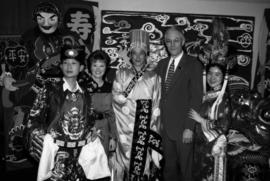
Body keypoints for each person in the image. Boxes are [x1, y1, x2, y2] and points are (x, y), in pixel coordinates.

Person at [25, 45, 110, 181]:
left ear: (81, 67)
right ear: (61, 66)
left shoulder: (85, 93)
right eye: (65, 63)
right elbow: (33, 119)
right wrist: (41, 139)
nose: (69, 67)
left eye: (74, 63)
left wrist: (92, 131)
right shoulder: (49, 89)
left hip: (80, 155)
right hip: (57, 155)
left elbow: (89, 120)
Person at [112, 29, 162, 180]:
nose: (138, 57)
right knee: (124, 160)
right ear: (130, 54)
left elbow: (157, 105)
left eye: (142, 53)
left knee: (143, 162)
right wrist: (132, 106)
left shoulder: (154, 77)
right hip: (125, 124)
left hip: (145, 124)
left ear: (146, 54)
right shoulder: (121, 74)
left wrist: (152, 126)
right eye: (135, 53)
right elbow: (116, 98)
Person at [155, 26, 203, 181]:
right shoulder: (161, 64)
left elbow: (196, 98)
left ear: (183, 42)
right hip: (165, 128)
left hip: (184, 128)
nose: (172, 44)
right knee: (168, 169)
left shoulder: (193, 64)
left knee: (186, 170)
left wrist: (189, 127)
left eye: (176, 40)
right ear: (165, 43)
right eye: (168, 41)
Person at [189, 63, 231, 181]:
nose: (212, 77)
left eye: (217, 74)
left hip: (213, 146)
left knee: (210, 176)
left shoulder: (223, 98)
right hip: (200, 145)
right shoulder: (207, 95)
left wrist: (201, 120)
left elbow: (224, 125)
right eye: (210, 73)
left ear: (224, 78)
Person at [86, 50, 117, 156]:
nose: (98, 69)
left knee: (103, 162)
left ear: (106, 67)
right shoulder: (82, 86)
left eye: (101, 66)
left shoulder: (110, 87)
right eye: (95, 65)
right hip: (86, 129)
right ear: (90, 67)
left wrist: (113, 137)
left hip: (104, 128)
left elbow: (112, 114)